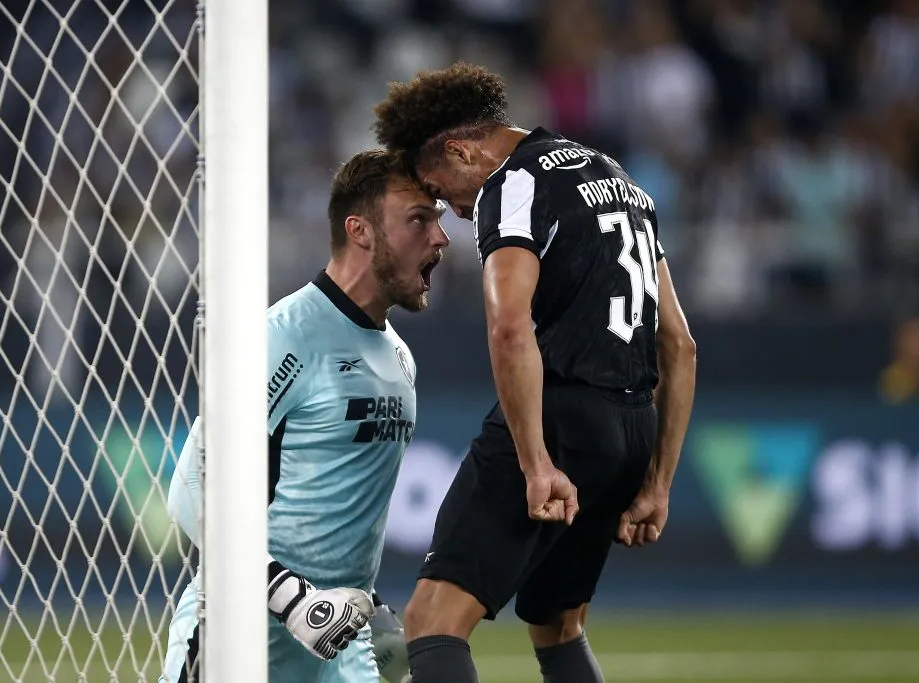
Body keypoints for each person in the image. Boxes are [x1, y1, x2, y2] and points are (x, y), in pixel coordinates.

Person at [371, 63, 697, 683]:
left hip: (563, 418)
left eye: (444, 191)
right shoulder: (617, 177)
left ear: (464, 150)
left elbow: (509, 326)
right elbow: (679, 344)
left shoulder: (512, 183)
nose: (458, 213)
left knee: (432, 618)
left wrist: (536, 463)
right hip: (631, 429)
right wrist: (657, 480)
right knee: (557, 624)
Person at [160, 149, 450, 683]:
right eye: (419, 219)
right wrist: (293, 599)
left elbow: (340, 523)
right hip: (236, 637)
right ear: (360, 231)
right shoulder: (281, 338)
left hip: (341, 641)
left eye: (438, 219)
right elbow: (189, 493)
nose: (440, 238)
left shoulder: (401, 357)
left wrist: (372, 620)